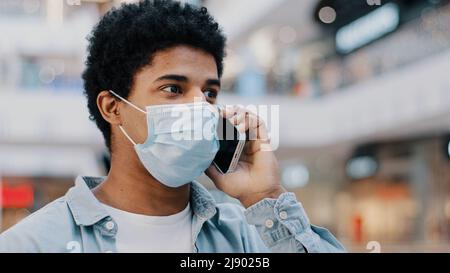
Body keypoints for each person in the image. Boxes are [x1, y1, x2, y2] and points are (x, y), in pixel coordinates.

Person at [0, 0, 345, 253]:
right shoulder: (35, 243)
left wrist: (264, 197)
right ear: (113, 107)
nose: (200, 106)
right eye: (173, 89)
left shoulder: (248, 233)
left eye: (209, 92)